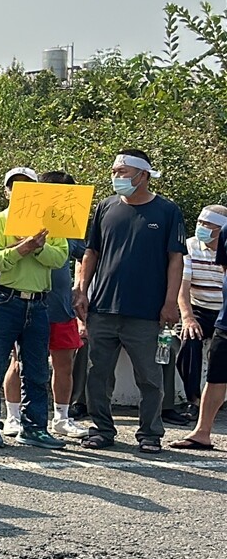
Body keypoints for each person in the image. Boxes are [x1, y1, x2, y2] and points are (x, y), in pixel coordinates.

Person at [74, 149, 186, 453]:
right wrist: (82, 290)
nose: (116, 177)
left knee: (150, 377)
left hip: (147, 312)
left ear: (143, 175)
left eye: (122, 172)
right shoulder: (105, 207)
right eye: (114, 171)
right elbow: (91, 252)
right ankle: (102, 430)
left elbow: (175, 260)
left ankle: (150, 433)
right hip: (103, 308)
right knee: (97, 374)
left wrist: (170, 303)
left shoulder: (166, 211)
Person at [0, 167, 68, 450]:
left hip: (39, 302)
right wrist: (23, 249)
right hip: (5, 300)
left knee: (38, 370)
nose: (19, 192)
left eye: (26, 186)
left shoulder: (51, 222)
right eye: (13, 187)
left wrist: (37, 247)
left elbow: (59, 258)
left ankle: (35, 428)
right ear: (6, 192)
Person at [1, 170, 90, 439]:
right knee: (19, 363)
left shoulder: (68, 223)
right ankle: (13, 417)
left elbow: (85, 253)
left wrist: (80, 287)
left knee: (65, 363)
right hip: (26, 303)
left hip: (60, 305)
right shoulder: (21, 218)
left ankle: (61, 418)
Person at [172, 210, 227, 450]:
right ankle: (201, 431)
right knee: (216, 375)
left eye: (208, 224)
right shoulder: (198, 244)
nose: (202, 227)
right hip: (211, 313)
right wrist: (187, 317)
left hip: (221, 309)